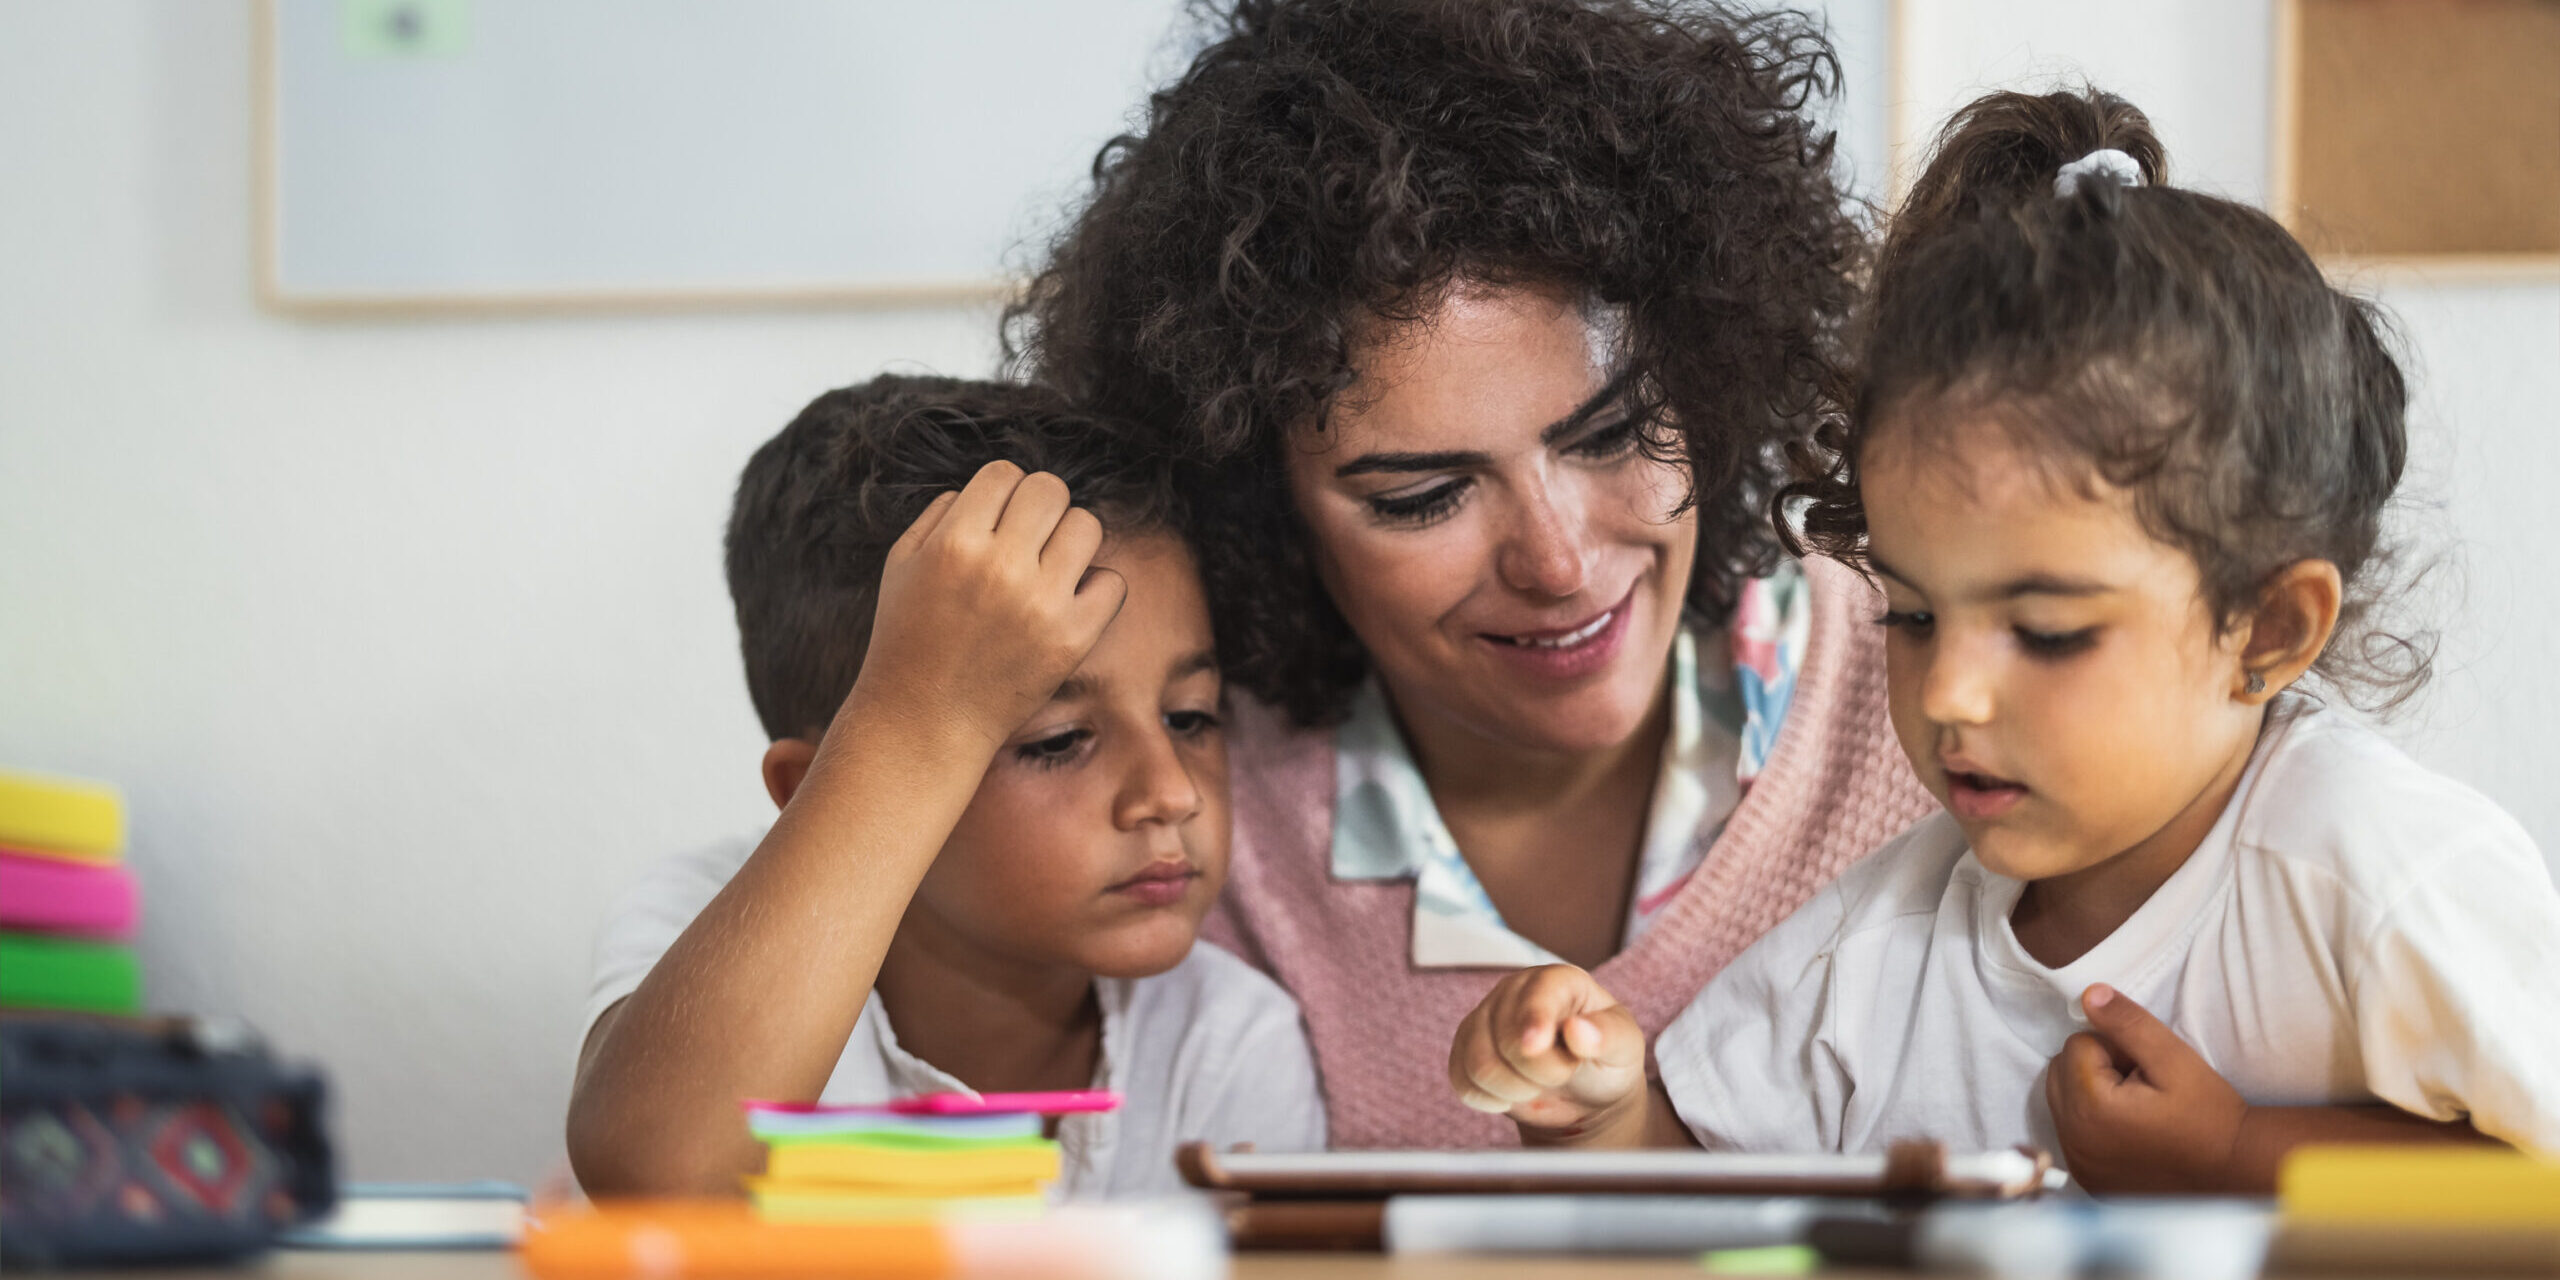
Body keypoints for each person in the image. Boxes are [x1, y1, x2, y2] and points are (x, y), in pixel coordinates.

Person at [1446, 89, 2560, 1190]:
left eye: (2045, 630)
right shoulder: (1876, 947)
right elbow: (1703, 1197)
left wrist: (2236, 1154)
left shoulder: (2371, 874)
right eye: (1914, 614)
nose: (1950, 695)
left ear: (2264, 629)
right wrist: (1599, 1116)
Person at [1009, 0, 1936, 1149]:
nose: (1558, 560)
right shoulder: (1187, 819)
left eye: (1609, 433)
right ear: (1261, 512)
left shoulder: (1944, 673)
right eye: (1422, 497)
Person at [566, 376, 1324, 1197]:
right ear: (811, 788)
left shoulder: (1227, 1040)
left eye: (1191, 717)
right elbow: (659, 1175)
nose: (1171, 794)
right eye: (1059, 741)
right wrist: (911, 721)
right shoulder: (700, 918)